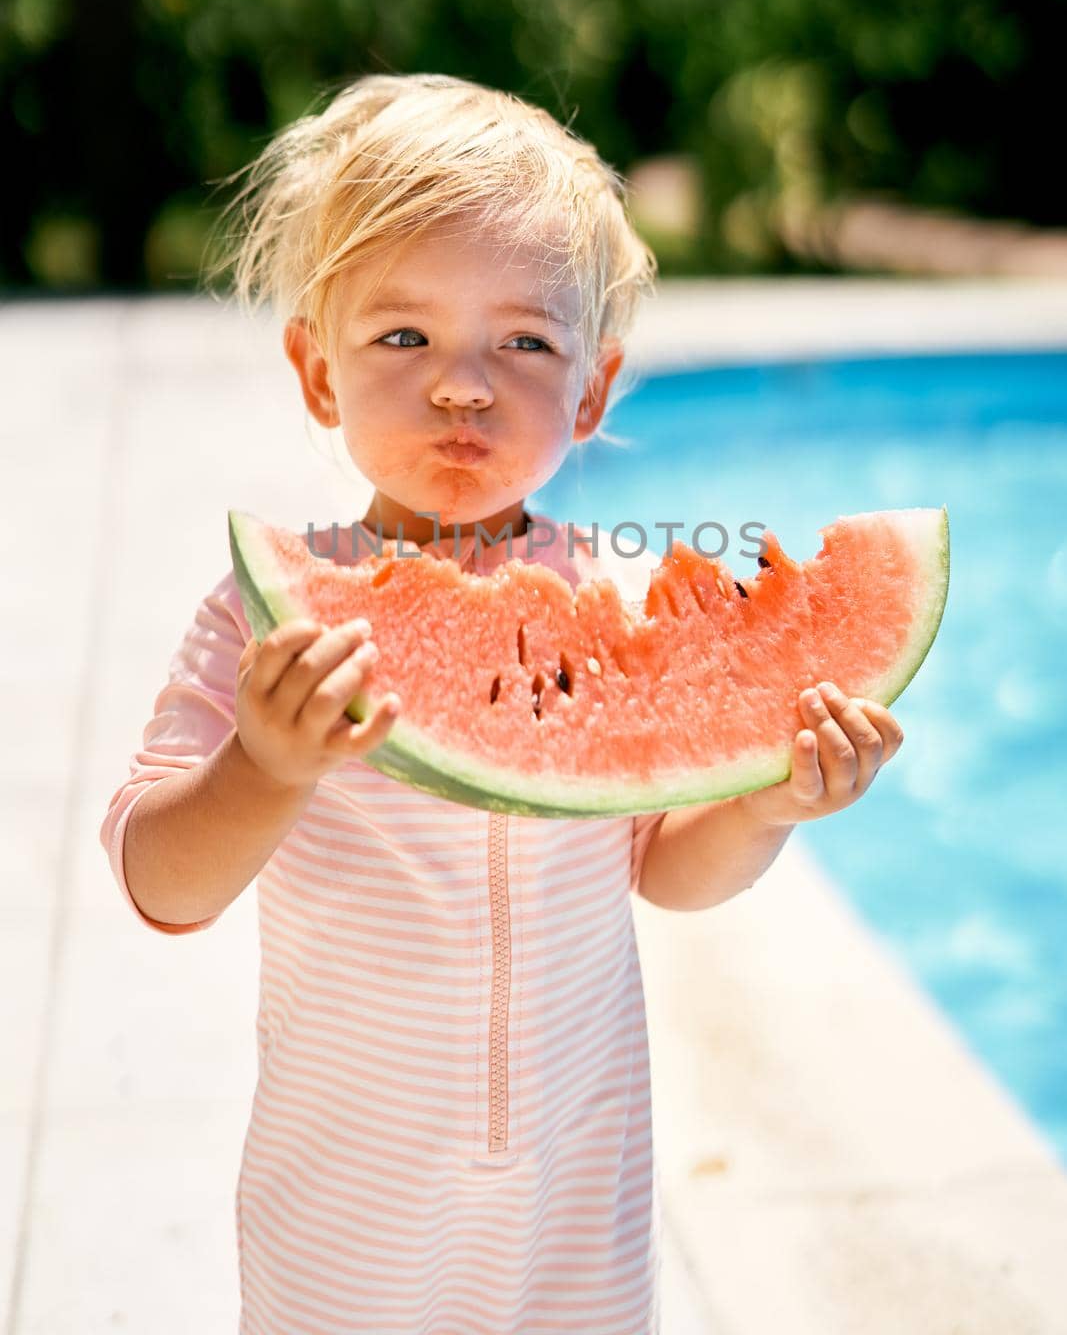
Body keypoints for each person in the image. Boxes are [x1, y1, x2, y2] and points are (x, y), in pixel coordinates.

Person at [100, 72, 905, 1334]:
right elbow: (163, 878)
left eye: (522, 342)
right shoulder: (266, 619)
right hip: (350, 1194)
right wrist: (261, 767)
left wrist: (766, 804)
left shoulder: (620, 602)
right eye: (403, 336)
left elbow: (665, 868)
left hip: (576, 1178)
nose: (463, 385)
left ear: (590, 390)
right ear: (318, 372)